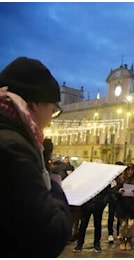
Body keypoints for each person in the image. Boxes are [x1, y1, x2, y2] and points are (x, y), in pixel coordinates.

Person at [0, 57, 71, 257]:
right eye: (52, 111)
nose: (49, 121)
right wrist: (54, 183)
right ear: (34, 105)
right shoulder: (12, 147)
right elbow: (51, 236)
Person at [73, 184, 111, 253]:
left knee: (97, 225)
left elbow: (107, 192)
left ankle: (97, 244)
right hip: (87, 205)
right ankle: (79, 244)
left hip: (98, 205)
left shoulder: (104, 179)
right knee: (83, 225)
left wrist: (103, 204)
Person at [113, 163, 134, 251]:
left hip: (131, 204)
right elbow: (113, 190)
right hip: (122, 204)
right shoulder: (120, 179)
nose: (130, 172)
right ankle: (122, 241)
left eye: (132, 170)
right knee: (123, 224)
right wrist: (119, 191)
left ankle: (128, 240)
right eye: (128, 170)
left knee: (131, 224)